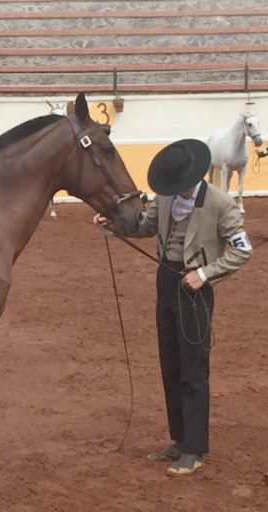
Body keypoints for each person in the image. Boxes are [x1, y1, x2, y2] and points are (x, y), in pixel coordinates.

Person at [94, 140, 252, 476]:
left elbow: (242, 250)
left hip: (195, 289)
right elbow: (144, 227)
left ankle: (194, 448)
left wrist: (206, 273)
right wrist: (113, 225)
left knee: (194, 368)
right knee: (171, 363)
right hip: (166, 283)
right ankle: (180, 440)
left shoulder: (222, 203)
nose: (175, 192)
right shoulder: (166, 196)